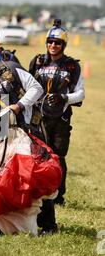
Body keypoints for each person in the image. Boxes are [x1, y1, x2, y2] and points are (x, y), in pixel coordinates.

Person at [29, 20, 85, 233]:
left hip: (60, 119)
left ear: (64, 45)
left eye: (58, 43)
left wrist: (64, 97)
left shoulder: (72, 65)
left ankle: (58, 194)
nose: (53, 46)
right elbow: (26, 85)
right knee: (42, 155)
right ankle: (44, 192)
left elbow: (80, 93)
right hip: (38, 117)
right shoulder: (37, 62)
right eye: (50, 42)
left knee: (59, 155)